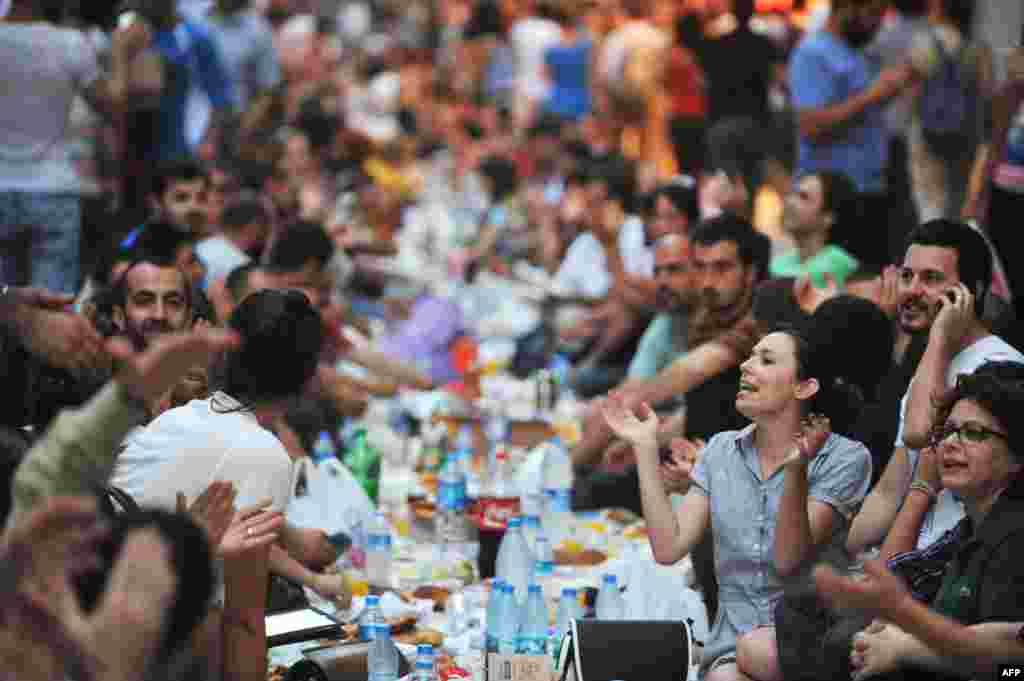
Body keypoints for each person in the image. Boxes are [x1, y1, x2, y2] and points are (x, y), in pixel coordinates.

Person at [603, 321, 872, 681]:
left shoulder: (845, 458)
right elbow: (669, 548)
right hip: (732, 643)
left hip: (805, 644)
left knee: (762, 654)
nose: (746, 365)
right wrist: (644, 446)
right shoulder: (720, 450)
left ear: (805, 386)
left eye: (766, 359)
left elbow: (788, 561)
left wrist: (796, 470)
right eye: (749, 356)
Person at [110, 288, 351, 607]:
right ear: (307, 381)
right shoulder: (264, 453)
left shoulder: (179, 418)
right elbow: (242, 611)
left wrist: (313, 579)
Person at [815, 361, 1024, 681]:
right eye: (947, 431)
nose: (951, 443)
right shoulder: (970, 529)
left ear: (1017, 457)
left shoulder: (1015, 540)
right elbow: (896, 581)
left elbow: (1012, 671)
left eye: (973, 433)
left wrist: (907, 649)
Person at [848, 220, 1024, 558]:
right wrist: (833, 553)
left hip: (963, 563)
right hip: (912, 554)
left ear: (971, 292)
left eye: (930, 279)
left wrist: (940, 338)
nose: (911, 290)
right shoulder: (931, 365)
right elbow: (888, 493)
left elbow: (918, 434)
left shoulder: (1001, 366)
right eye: (906, 276)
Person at [0, 0, 151, 293]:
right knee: (52, 307)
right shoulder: (70, 44)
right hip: (54, 187)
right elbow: (114, 105)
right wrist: (120, 52)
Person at [787, 0, 915, 267]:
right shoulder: (814, 53)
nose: (878, 24)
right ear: (846, 9)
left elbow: (858, 113)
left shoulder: (856, 52)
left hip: (870, 190)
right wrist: (871, 96)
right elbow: (810, 125)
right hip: (835, 199)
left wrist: (887, 92)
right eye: (873, 14)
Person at [770, 171, 860, 289]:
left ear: (828, 217)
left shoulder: (839, 263)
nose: (789, 202)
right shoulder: (781, 261)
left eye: (804, 197)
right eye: (792, 194)